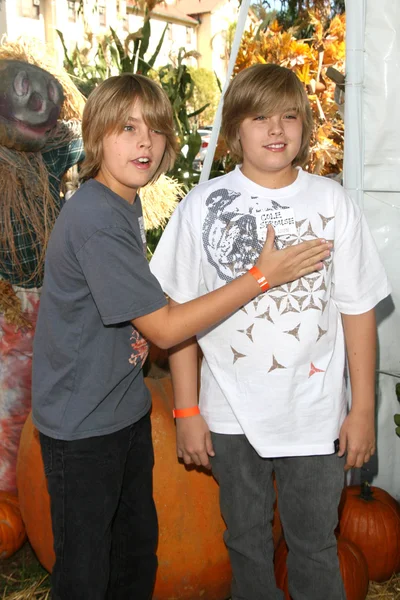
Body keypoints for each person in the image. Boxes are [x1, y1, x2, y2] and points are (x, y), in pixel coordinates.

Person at [31, 72, 331, 600]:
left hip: (119, 414)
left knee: (133, 553)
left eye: (155, 130)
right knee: (84, 568)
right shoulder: (95, 218)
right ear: (98, 136)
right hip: (81, 427)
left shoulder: (121, 203)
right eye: (126, 128)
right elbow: (166, 328)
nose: (144, 141)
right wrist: (261, 278)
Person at [150, 64, 391, 600]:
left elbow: (357, 311)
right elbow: (179, 315)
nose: (276, 129)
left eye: (289, 116)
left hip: (315, 414)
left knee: (314, 544)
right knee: (247, 543)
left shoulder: (333, 203)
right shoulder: (200, 207)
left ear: (305, 126)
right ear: (236, 127)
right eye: (260, 117)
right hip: (231, 414)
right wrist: (186, 411)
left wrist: (361, 410)